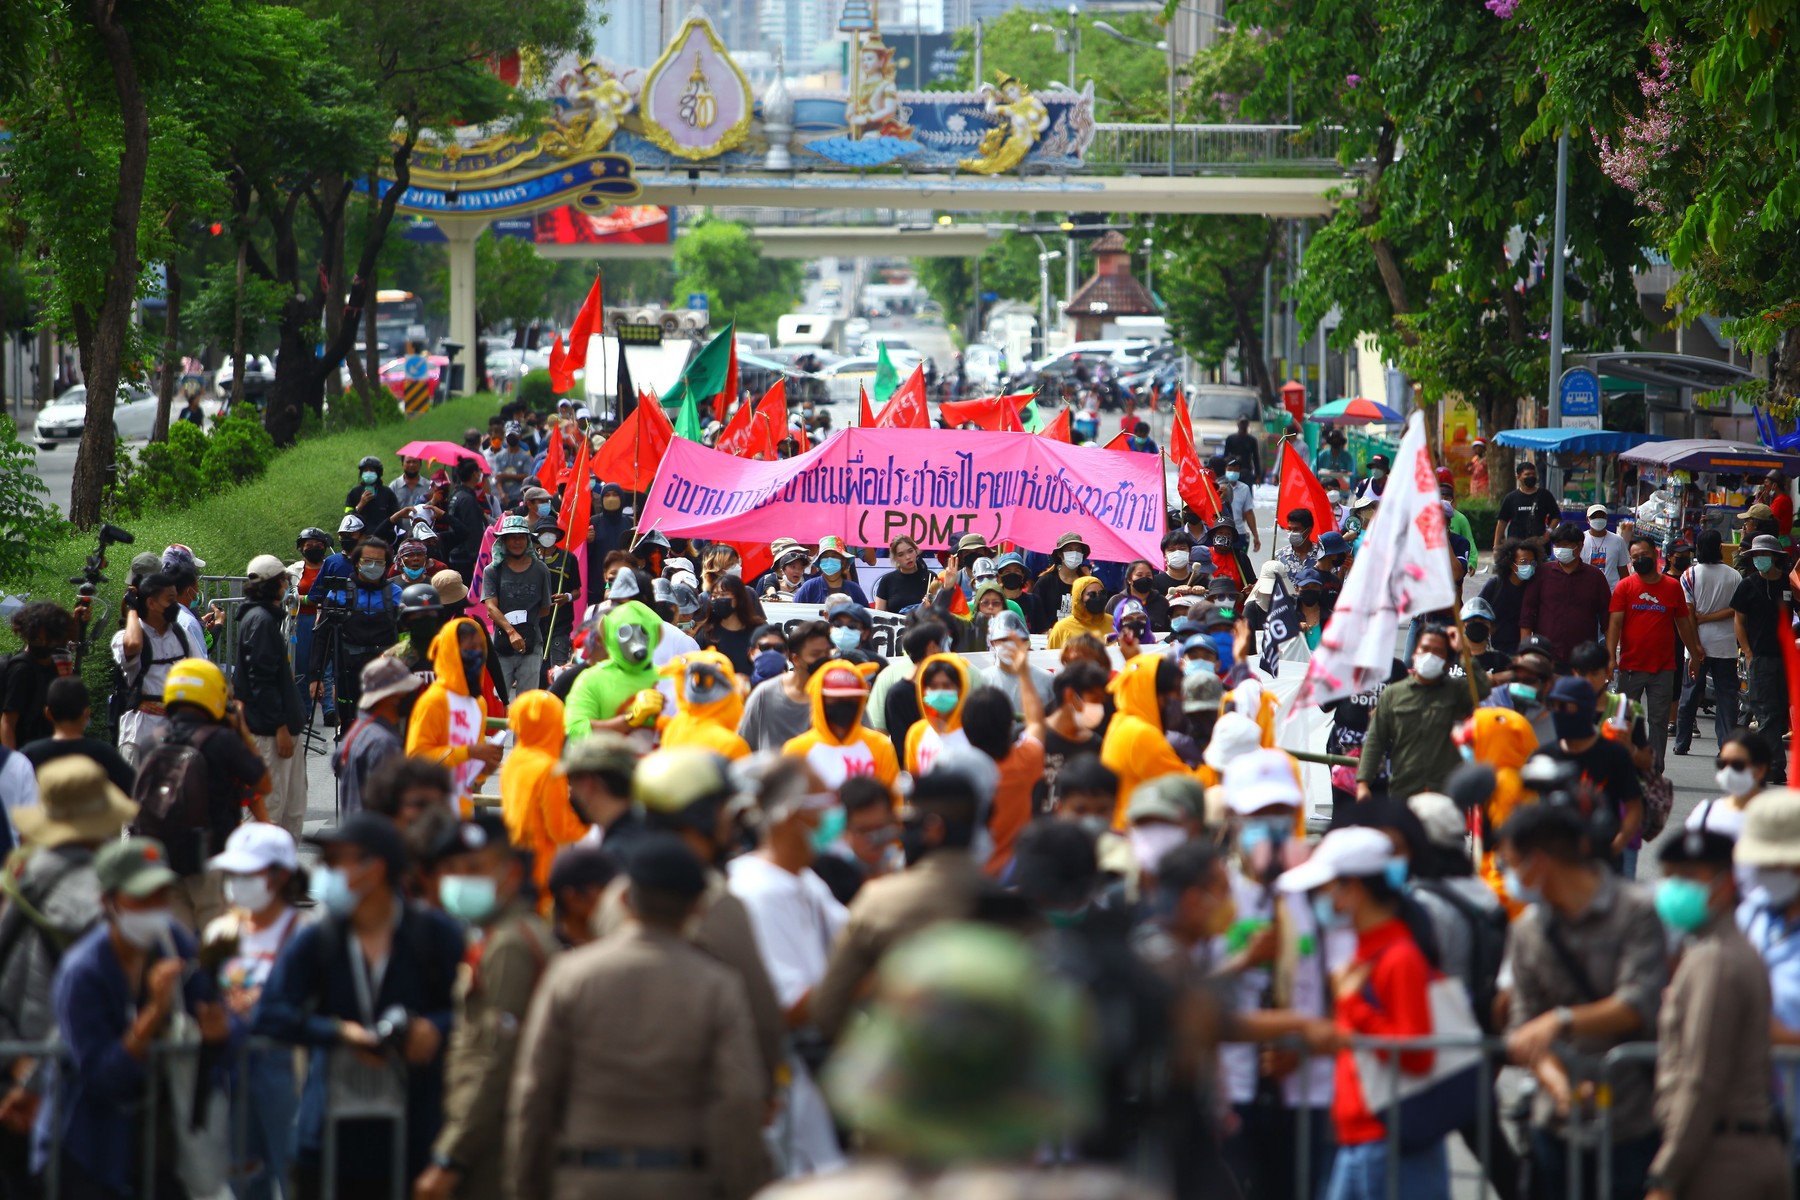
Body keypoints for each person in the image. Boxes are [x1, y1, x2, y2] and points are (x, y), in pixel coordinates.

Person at [508, 835, 771, 1200]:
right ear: (696, 907)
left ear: (623, 900)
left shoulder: (570, 975)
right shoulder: (716, 986)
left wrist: (526, 1187)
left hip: (585, 1181)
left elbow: (534, 1093)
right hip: (681, 1181)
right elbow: (739, 1098)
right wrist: (747, 1186)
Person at [254, 812, 463, 1200]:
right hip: (330, 1144)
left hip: (414, 1140)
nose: (324, 871)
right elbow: (269, 1016)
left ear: (375, 869)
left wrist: (434, 1027)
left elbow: (473, 1015)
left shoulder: (434, 936)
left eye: (336, 862)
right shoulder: (318, 940)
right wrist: (336, 1032)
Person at [1495, 803, 1665, 1198]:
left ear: (1539, 862)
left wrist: (1562, 1020)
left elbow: (1637, 1000)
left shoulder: (1635, 911)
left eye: (1510, 864)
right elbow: (1524, 1026)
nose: (1507, 877)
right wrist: (1559, 1087)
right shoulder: (1527, 931)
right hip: (1554, 1126)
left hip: (1632, 1119)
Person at [1273, 827, 1452, 1200]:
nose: (1318, 900)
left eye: (1324, 889)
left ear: (1351, 890)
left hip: (1389, 1140)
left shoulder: (1398, 957)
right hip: (1361, 1136)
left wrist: (1353, 1006)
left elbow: (1416, 1053)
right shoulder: (1364, 955)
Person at [46, 838, 231, 1200]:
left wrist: (221, 1028)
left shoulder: (173, 941)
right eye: (141, 899)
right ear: (108, 903)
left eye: (161, 896)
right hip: (91, 1150)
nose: (154, 909)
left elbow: (212, 1006)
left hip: (161, 1142)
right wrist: (152, 1014)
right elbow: (100, 1074)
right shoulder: (83, 972)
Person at [0, 755, 135, 1185]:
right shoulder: (99, 902)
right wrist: (38, 1082)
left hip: (14, 1074)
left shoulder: (18, 880)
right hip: (69, 1093)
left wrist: (19, 1069)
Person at [1644, 827, 1789, 1200]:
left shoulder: (1715, 961)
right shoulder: (1721, 949)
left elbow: (1700, 1078)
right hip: (1734, 1145)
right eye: (1671, 876)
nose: (1675, 888)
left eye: (1689, 878)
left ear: (1726, 886)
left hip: (1720, 1156)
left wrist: (1666, 1174)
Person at [417, 813, 556, 1200]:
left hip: (496, 1142)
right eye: (452, 870)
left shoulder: (510, 946)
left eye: (475, 869)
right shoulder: (498, 936)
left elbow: (493, 1060)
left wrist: (450, 1155)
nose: (461, 880)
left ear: (510, 874)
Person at [726, 759, 849, 1176]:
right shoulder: (756, 892)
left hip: (815, 1088)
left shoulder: (807, 882)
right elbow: (790, 1004)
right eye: (824, 802)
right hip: (781, 1092)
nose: (835, 812)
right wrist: (865, 981)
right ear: (792, 815)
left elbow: (853, 940)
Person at [810, 759, 990, 1039]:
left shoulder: (879, 900)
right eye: (863, 831)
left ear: (932, 829)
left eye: (905, 823)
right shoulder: (1006, 902)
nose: (878, 839)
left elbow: (827, 1010)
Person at [205, 822, 306, 1200]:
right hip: (231, 1073)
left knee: (294, 1174)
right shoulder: (219, 934)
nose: (237, 882)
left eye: (249, 873)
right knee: (242, 1178)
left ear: (280, 877)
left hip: (287, 1073)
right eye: (233, 873)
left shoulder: (304, 935)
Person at [143, 657, 272, 929]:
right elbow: (263, 785)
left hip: (162, 861)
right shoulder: (222, 740)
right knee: (216, 946)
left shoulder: (152, 740)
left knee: (179, 948)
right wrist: (242, 731)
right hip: (212, 860)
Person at [1356, 626, 1488, 803]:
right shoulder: (1393, 694)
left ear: (1447, 662)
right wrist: (1363, 783)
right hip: (1404, 792)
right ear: (1414, 654)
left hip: (1445, 795)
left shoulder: (1456, 691)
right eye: (1425, 649)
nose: (1430, 655)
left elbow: (1482, 688)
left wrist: (1463, 650)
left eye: (1438, 651)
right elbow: (1375, 740)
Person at [1606, 535, 1702, 774]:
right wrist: (1610, 658)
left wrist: (1694, 655)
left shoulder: (1671, 587)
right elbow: (1615, 624)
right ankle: (1623, 765)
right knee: (1624, 719)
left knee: (1658, 722)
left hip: (1663, 668)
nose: (1640, 560)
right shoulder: (1625, 587)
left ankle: (1654, 768)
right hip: (1630, 666)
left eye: (1644, 556)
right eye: (1635, 557)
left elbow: (1683, 624)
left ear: (1655, 554)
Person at [236, 554, 308, 839]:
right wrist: (280, 727)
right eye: (284, 582)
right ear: (276, 585)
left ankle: (282, 878)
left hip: (280, 729)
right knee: (270, 811)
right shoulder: (261, 621)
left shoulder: (261, 618)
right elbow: (261, 680)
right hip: (269, 734)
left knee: (292, 810)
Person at [499, 689, 588, 905]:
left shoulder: (515, 758)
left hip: (512, 862)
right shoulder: (549, 769)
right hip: (541, 870)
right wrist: (591, 826)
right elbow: (560, 830)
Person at [405, 619, 504, 808]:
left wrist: (486, 766)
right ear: (451, 651)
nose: (477, 653)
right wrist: (468, 752)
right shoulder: (434, 701)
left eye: (480, 647)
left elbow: (469, 773)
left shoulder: (478, 704)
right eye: (469, 648)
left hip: (462, 812)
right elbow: (417, 759)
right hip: (429, 813)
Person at [311, 536, 403, 735]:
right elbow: (322, 637)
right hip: (347, 672)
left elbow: (408, 635)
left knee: (384, 727)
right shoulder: (338, 595)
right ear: (356, 562)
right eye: (367, 561)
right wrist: (315, 676)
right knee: (349, 728)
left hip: (384, 673)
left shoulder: (396, 594)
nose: (373, 566)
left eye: (379, 562)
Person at [110, 571, 192, 766]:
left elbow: (200, 668)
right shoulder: (125, 637)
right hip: (141, 733)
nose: (175, 606)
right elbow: (133, 645)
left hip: (176, 732)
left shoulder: (179, 634)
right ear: (151, 603)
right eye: (170, 600)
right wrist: (132, 609)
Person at [1099, 654, 1190, 826]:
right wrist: (1216, 771)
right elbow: (1185, 786)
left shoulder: (1122, 721)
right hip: (1134, 836)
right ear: (1156, 695)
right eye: (1177, 692)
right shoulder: (1141, 733)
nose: (1181, 700)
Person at [1675, 528, 1743, 754]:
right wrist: (1709, 617)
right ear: (1720, 549)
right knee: (1727, 699)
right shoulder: (1734, 575)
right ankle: (1726, 745)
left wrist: (1694, 647)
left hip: (1698, 646)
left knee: (1690, 695)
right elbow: (1736, 610)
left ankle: (1682, 742)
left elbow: (1688, 614)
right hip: (1726, 646)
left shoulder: (1690, 575)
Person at [784, 659, 900, 790]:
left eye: (852, 698)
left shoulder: (881, 746)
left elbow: (893, 801)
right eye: (836, 698)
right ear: (820, 699)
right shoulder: (796, 751)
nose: (845, 703)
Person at [1733, 534, 1792, 784]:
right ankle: (1775, 765)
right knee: (1766, 713)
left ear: (1775, 557)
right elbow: (1739, 621)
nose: (1760, 559)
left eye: (1764, 555)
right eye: (1756, 555)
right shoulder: (1748, 585)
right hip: (1760, 658)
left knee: (1780, 711)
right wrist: (1747, 651)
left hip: (1786, 658)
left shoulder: (1788, 585)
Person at [562, 599, 664, 739]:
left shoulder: (668, 679)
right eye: (624, 633)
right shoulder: (592, 679)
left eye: (643, 632)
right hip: (606, 760)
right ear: (607, 635)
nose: (634, 640)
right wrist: (630, 719)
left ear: (656, 635)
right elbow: (575, 730)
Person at [1519, 521, 1613, 669]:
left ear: (1580, 546)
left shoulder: (1595, 577)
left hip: (1584, 659)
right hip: (1546, 657)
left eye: (1566, 545)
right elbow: (1527, 616)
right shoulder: (1542, 573)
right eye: (1557, 545)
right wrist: (1524, 654)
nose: (1560, 549)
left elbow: (1608, 621)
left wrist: (1610, 657)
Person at [334, 656, 419, 818]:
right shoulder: (384, 743)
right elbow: (389, 802)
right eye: (405, 692)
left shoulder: (358, 730)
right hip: (376, 835)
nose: (410, 696)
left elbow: (337, 762)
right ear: (391, 697)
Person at [21, 677, 134, 795]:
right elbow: (135, 791)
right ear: (87, 713)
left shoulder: (29, 755)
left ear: (48, 713)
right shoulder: (104, 754)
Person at [483, 513, 553, 698]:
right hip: (501, 643)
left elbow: (545, 608)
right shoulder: (492, 570)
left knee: (527, 701)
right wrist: (511, 631)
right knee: (498, 699)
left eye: (521, 537)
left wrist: (525, 629)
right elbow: (490, 607)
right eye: (512, 537)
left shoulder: (541, 570)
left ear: (528, 540)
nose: (517, 542)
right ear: (504, 541)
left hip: (532, 645)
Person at [738, 620, 833, 753]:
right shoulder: (765, 693)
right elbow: (743, 744)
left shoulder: (838, 694)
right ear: (795, 659)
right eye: (815, 655)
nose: (823, 660)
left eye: (827, 654)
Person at [2, 601, 74, 751]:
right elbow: (8, 722)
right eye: (36, 639)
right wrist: (13, 765)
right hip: (24, 755)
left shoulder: (51, 665)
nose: (42, 643)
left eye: (47, 639)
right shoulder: (22, 669)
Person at [1686, 727, 1773, 839]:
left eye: (1737, 765)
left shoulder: (1776, 820)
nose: (1728, 770)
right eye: (1722, 764)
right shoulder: (1705, 813)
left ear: (1760, 769)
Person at [532, 516, 580, 669]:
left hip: (560, 623)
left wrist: (567, 597)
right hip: (534, 624)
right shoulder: (529, 559)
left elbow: (577, 591)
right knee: (537, 670)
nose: (547, 535)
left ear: (557, 535)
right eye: (543, 532)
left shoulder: (568, 558)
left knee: (558, 669)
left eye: (551, 532)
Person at [696, 573, 764, 675]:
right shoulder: (706, 633)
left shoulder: (759, 631)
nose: (718, 599)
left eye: (723, 595)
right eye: (714, 596)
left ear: (738, 599)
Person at [1494, 459, 1561, 554]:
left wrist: (1548, 533)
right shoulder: (1511, 497)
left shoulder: (1544, 495)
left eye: (1533, 474)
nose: (1531, 477)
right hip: (1515, 545)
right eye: (1527, 474)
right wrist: (1496, 546)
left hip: (1538, 545)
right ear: (1518, 477)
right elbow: (1502, 521)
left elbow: (1556, 516)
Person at [1032, 532, 1096, 630]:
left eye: (1078, 550)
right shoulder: (1045, 582)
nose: (1074, 554)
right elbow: (1036, 614)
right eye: (1070, 550)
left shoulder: (1088, 584)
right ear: (1060, 554)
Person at [445, 459, 488, 583]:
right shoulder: (467, 499)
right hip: (466, 559)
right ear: (475, 474)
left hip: (457, 554)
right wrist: (476, 559)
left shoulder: (457, 495)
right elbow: (474, 531)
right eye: (479, 471)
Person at [793, 536, 868, 605]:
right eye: (825, 557)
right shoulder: (809, 588)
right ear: (820, 562)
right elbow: (794, 613)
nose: (829, 560)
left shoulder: (854, 589)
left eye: (834, 556)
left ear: (843, 561)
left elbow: (866, 616)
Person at [1047, 575, 1112, 649]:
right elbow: (1050, 658)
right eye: (1092, 594)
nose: (1098, 598)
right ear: (1079, 599)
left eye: (1101, 593)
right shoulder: (1062, 629)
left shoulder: (1114, 623)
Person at [873, 535, 929, 612]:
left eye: (910, 551)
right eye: (901, 555)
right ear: (895, 558)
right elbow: (878, 614)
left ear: (916, 551)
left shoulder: (930, 577)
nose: (908, 557)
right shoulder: (887, 580)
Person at [1220, 456, 1262, 553]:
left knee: (1240, 565)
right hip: (1221, 533)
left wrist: (1255, 536)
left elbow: (1249, 513)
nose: (1233, 472)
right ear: (1224, 470)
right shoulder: (1218, 487)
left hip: (1239, 534)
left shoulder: (1244, 488)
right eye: (1230, 469)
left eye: (1236, 470)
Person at [1581, 504, 1628, 587]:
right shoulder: (1581, 539)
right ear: (1587, 520)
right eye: (1594, 517)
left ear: (1606, 518)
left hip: (1612, 592)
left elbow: (1623, 570)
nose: (1598, 519)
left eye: (1601, 516)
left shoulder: (1618, 540)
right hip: (1586, 590)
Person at [1224, 414, 1263, 480]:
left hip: (1247, 470)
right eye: (1241, 423)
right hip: (1234, 471)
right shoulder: (1231, 439)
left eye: (1245, 423)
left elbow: (1255, 458)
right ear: (1237, 423)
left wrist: (1257, 475)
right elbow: (1226, 456)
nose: (1243, 425)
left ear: (1248, 424)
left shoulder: (1252, 440)